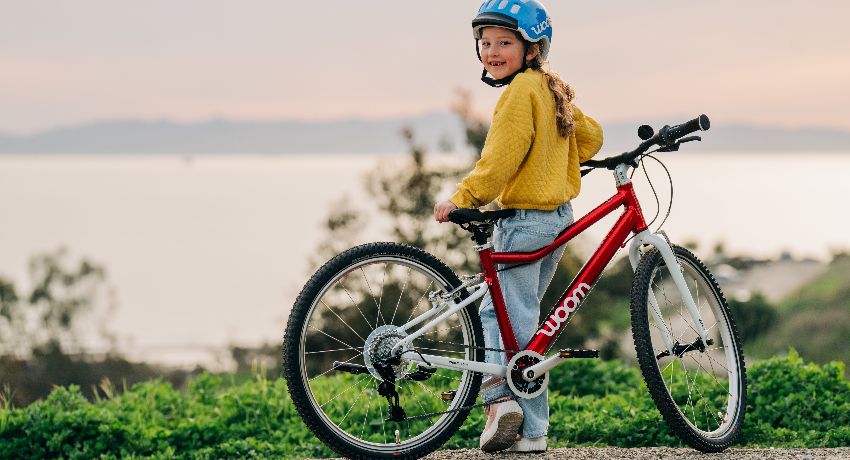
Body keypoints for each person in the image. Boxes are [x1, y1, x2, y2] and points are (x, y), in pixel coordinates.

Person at [433, 0, 604, 453]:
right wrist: (554, 155)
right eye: (485, 43)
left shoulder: (517, 94)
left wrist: (461, 198)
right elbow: (591, 138)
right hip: (557, 225)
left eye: (504, 42)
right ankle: (532, 432)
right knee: (524, 324)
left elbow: (500, 159)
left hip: (524, 222)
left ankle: (501, 404)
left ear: (531, 49)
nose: (491, 51)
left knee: (501, 318)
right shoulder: (549, 89)